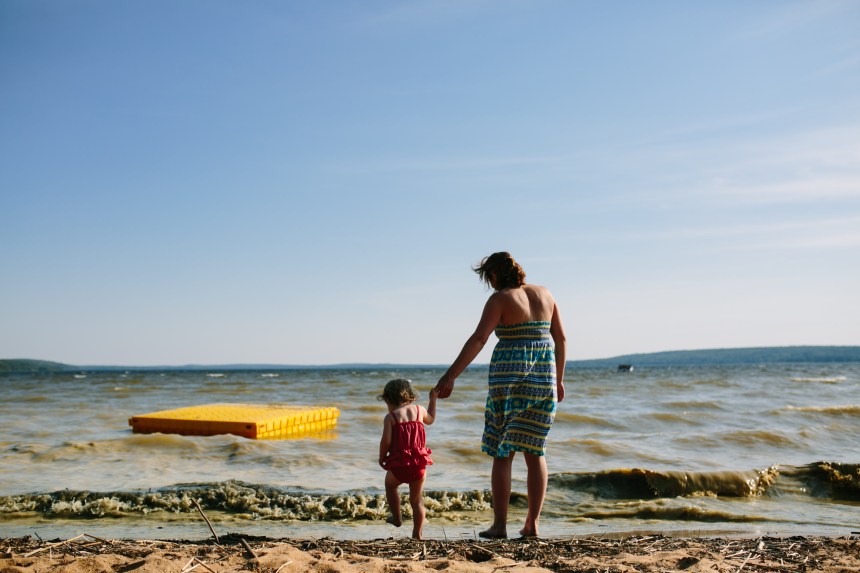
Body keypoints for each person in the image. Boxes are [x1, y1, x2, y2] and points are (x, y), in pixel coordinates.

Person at [433, 252, 566, 539]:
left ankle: (500, 525)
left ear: (495, 274)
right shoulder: (546, 294)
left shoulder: (500, 299)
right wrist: (560, 380)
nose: (489, 283)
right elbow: (561, 338)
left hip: (508, 384)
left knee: (502, 452)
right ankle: (532, 524)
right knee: (535, 450)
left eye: (488, 277)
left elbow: (479, 339)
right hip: (544, 381)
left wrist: (450, 375)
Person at [378, 378, 438, 539]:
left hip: (399, 464)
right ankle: (417, 534)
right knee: (417, 500)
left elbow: (386, 441)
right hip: (419, 464)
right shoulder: (419, 410)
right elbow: (431, 419)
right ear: (411, 397)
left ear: (389, 400)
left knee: (390, 486)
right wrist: (433, 399)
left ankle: (397, 518)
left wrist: (382, 457)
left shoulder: (391, 417)